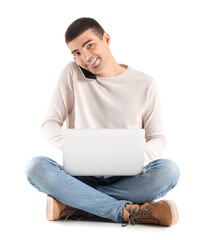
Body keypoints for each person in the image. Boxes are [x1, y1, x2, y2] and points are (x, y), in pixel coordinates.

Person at [25, 17, 180, 226]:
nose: (85, 57)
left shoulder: (145, 83)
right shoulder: (72, 73)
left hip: (126, 178)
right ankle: (124, 211)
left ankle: (74, 204)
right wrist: (79, 148)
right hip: (81, 176)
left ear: (106, 39)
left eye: (90, 45)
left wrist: (132, 154)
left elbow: (158, 139)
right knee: (36, 167)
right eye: (77, 53)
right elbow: (48, 124)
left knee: (169, 171)